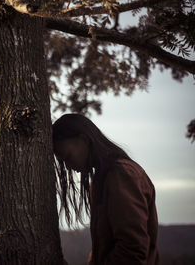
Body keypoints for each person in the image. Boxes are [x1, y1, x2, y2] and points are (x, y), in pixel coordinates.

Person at [52, 113, 159, 265]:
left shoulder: (121, 174)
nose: (68, 167)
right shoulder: (102, 179)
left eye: (68, 157)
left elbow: (132, 249)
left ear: (84, 139)